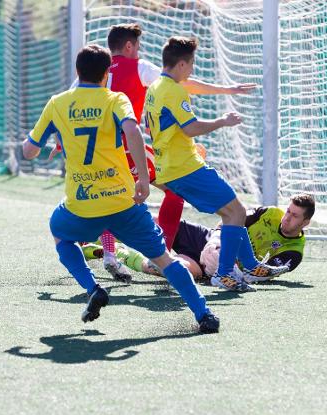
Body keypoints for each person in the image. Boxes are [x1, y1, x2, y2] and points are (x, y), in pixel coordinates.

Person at [22, 44, 219, 333]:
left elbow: (29, 152)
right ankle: (204, 315)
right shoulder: (116, 99)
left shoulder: (57, 103)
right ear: (106, 74)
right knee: (165, 259)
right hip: (124, 203)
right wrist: (141, 178)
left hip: (81, 205)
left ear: (78, 72)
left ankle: (92, 288)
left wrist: (45, 139)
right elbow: (132, 130)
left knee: (60, 234)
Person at [54, 23, 256, 284]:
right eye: (137, 46)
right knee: (171, 193)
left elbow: (69, 109)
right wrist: (227, 90)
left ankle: (108, 252)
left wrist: (59, 143)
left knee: (106, 198)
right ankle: (162, 256)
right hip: (127, 149)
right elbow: (182, 82)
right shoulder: (139, 67)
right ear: (129, 46)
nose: (138, 51)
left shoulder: (91, 72)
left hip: (95, 155)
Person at [144, 36, 289, 292]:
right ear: (180, 65)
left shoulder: (155, 87)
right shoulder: (174, 91)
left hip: (172, 166)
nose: (192, 70)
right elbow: (190, 127)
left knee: (232, 213)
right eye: (191, 65)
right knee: (236, 212)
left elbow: (158, 124)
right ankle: (224, 274)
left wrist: (228, 89)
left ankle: (250, 265)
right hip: (186, 168)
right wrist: (222, 120)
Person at [94, 194, 315, 282]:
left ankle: (115, 253)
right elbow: (231, 217)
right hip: (206, 241)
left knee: (163, 268)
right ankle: (98, 231)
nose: (286, 218)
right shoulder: (269, 213)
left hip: (208, 269)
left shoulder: (294, 252)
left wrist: (229, 269)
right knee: (154, 224)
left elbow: (261, 275)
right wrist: (216, 239)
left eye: (294, 216)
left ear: (305, 223)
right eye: (288, 211)